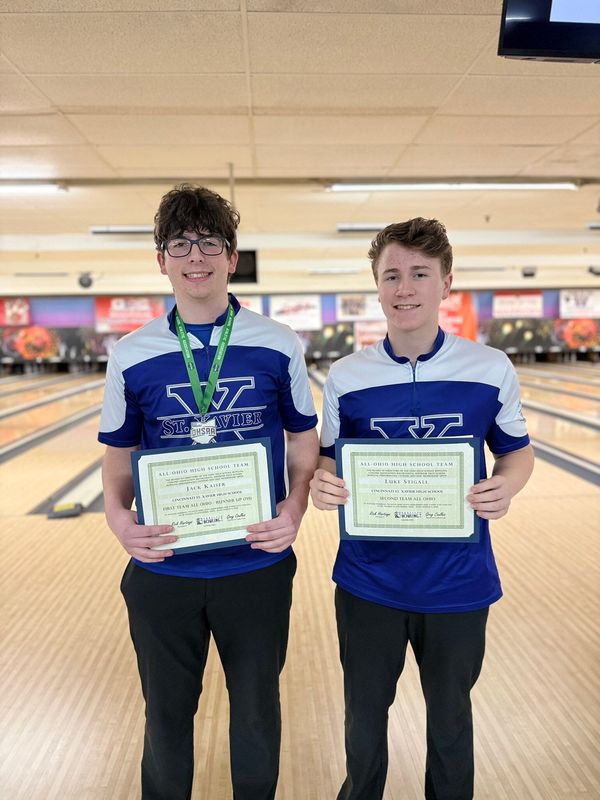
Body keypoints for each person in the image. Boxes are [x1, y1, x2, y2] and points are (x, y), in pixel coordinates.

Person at [98, 184, 319, 800]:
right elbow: (119, 456)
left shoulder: (277, 342)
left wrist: (294, 507)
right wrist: (118, 519)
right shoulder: (131, 354)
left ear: (232, 256)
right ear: (161, 259)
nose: (196, 256)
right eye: (180, 244)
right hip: (163, 568)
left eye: (210, 243)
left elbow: (304, 440)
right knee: (165, 718)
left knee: (256, 712)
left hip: (255, 565)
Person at [309, 217, 534, 800]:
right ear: (377, 286)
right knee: (363, 721)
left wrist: (506, 486)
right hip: (368, 582)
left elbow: (517, 454)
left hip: (458, 582)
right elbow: (328, 459)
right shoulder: (347, 377)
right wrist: (321, 484)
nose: (404, 288)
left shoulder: (490, 368)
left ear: (445, 283)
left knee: (451, 721)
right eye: (391, 276)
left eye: (419, 274)